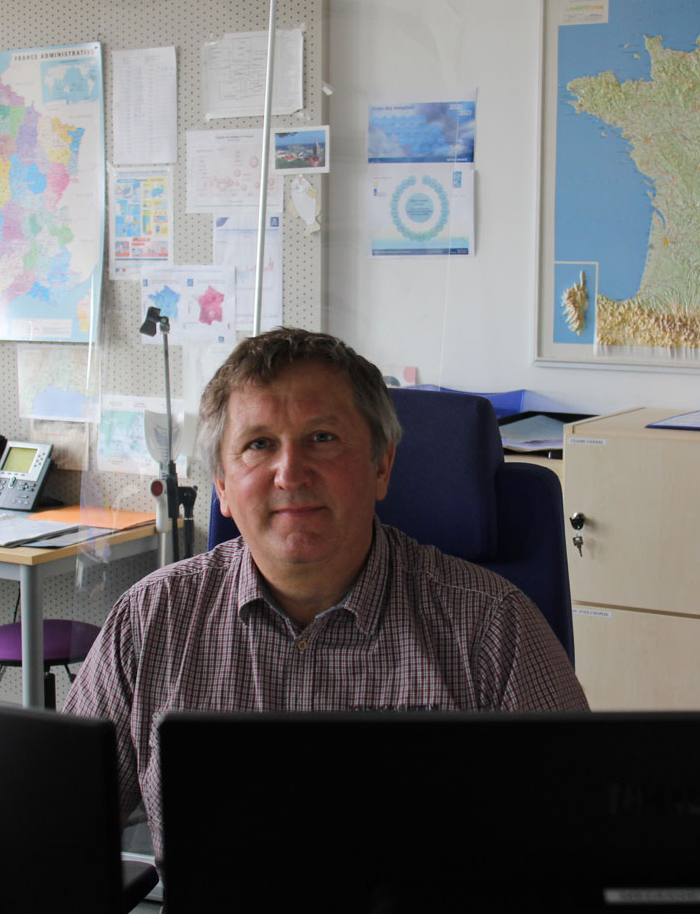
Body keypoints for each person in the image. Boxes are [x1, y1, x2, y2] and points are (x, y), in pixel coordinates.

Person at [64, 327, 587, 858]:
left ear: (381, 465)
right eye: (258, 444)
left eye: (322, 438)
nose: (290, 473)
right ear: (222, 484)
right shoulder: (151, 620)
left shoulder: (493, 627)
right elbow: (58, 826)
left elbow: (580, 844)